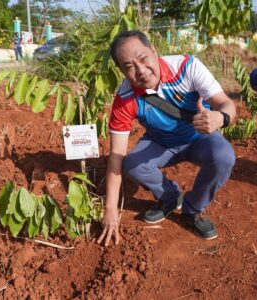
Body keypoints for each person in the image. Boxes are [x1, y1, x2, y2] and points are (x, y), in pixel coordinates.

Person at [97, 30, 236, 246]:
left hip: (198, 137)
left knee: (223, 156)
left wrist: (221, 117)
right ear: (122, 72)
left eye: (143, 58)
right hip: (161, 142)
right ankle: (171, 198)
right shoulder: (125, 98)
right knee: (132, 164)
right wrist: (110, 209)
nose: (141, 71)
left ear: (154, 50)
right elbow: (116, 156)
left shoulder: (187, 67)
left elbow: (227, 104)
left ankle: (192, 209)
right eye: (129, 67)